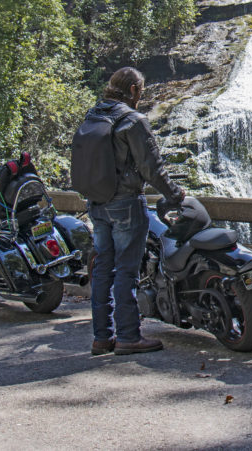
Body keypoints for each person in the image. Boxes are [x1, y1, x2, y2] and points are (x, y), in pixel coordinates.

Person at [81, 67, 185, 356]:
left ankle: (102, 337)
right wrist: (174, 195)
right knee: (126, 270)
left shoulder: (94, 115)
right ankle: (128, 336)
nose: (141, 95)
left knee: (103, 269)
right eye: (141, 90)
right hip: (125, 203)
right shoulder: (132, 120)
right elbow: (152, 167)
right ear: (133, 91)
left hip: (97, 202)